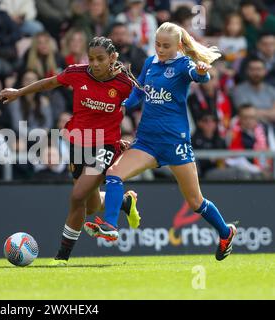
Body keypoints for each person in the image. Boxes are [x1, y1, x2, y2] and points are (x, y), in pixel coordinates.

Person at [84, 22, 238, 261]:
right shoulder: (149, 63)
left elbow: (202, 77)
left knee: (196, 201)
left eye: (166, 46)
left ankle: (226, 232)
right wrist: (123, 105)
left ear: (178, 45)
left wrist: (200, 71)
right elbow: (139, 92)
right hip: (147, 140)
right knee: (113, 174)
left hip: (175, 143)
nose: (161, 49)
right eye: (157, 44)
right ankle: (111, 226)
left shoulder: (183, 64)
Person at [0, 36, 140, 265]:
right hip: (77, 142)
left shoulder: (125, 84)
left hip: (105, 145)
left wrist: (135, 139)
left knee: (77, 197)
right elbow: (49, 83)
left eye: (100, 59)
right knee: (91, 205)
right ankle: (124, 202)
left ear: (113, 58)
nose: (94, 63)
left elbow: (142, 104)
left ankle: (61, 257)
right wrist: (18, 92)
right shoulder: (77, 72)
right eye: (91, 58)